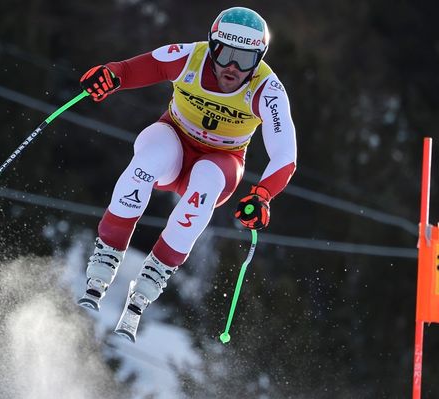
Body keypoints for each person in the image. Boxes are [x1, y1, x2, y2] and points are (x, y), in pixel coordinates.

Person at [77, 7, 297, 342]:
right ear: (212, 45)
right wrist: (110, 76)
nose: (233, 68)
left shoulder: (267, 89)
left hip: (221, 160)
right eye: (225, 54)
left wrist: (262, 195)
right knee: (147, 159)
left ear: (260, 57)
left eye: (246, 59)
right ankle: (105, 257)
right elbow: (133, 68)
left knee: (205, 184)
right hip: (174, 141)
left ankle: (151, 280)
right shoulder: (189, 57)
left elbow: (285, 155)